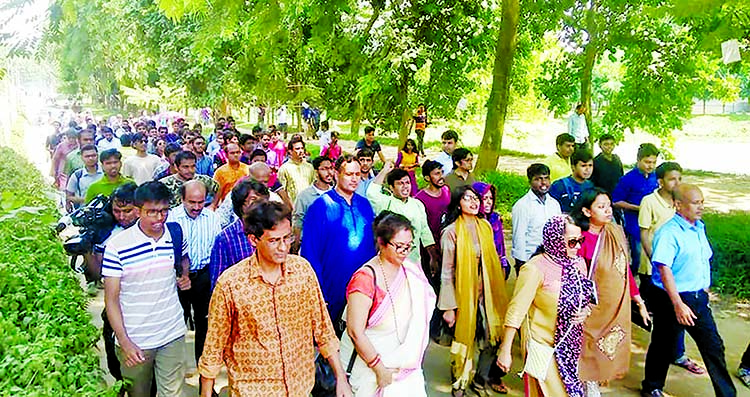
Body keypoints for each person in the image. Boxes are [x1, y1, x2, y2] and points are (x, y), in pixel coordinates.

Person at [198, 200, 353, 397]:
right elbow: (213, 347)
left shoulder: (302, 271)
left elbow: (323, 329)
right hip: (253, 390)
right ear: (253, 240)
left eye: (287, 238)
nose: (283, 247)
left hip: (300, 387)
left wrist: (341, 378)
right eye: (273, 241)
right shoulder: (231, 284)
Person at [641, 184, 737, 397]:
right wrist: (678, 304)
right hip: (671, 298)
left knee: (713, 346)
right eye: (695, 203)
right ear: (678, 205)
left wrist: (703, 289)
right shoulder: (669, 233)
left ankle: (727, 394)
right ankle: (652, 387)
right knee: (663, 345)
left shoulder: (699, 227)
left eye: (702, 202)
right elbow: (664, 269)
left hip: (697, 298)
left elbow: (702, 260)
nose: (700, 207)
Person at [103, 181, 191, 397]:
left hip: (172, 333)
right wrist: (124, 342)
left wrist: (184, 276)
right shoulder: (118, 246)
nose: (159, 218)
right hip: (136, 340)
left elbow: (184, 258)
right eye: (152, 212)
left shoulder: (175, 234)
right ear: (137, 210)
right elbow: (111, 300)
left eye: (163, 211)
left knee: (173, 394)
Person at [496, 215, 596, 397]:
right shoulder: (535, 268)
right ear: (555, 240)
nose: (579, 247)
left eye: (580, 240)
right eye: (572, 242)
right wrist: (505, 349)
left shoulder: (578, 263)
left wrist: (585, 311)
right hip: (545, 349)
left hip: (573, 346)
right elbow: (517, 310)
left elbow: (586, 296)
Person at [340, 212, 436, 396]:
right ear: (382, 243)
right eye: (399, 247)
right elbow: (355, 331)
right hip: (372, 370)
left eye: (409, 246)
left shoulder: (412, 271)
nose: (405, 252)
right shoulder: (365, 279)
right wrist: (379, 369)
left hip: (407, 372)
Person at [569, 188, 651, 397]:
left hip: (616, 309)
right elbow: (574, 279)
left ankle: (592, 386)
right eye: (601, 207)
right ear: (587, 212)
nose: (608, 210)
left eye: (608, 205)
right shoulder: (581, 240)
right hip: (591, 312)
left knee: (605, 354)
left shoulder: (615, 232)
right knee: (586, 354)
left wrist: (638, 300)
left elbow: (623, 270)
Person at [439, 185, 510, 397]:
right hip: (463, 297)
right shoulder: (451, 232)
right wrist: (449, 307)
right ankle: (460, 382)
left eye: (476, 198)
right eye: (468, 198)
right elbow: (446, 272)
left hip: (487, 295)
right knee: (464, 340)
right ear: (458, 204)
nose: (474, 202)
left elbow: (494, 261)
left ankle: (480, 380)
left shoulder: (485, 226)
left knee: (492, 338)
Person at [638, 162, 704, 375]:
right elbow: (645, 233)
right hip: (657, 266)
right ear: (661, 182)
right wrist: (654, 260)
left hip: (681, 272)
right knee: (664, 321)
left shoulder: (689, 211)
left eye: (679, 178)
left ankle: (678, 354)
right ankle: (658, 369)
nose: (677, 182)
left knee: (682, 320)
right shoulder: (650, 201)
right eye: (671, 179)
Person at [302, 155, 377, 325]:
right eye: (349, 174)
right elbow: (310, 252)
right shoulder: (321, 206)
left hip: (362, 286)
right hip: (332, 286)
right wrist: (318, 290)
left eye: (357, 174)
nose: (354, 179)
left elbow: (373, 246)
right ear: (336, 174)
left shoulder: (365, 205)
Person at [166, 180, 221, 368]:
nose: (197, 207)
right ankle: (175, 367)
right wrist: (179, 276)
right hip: (177, 279)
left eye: (201, 202)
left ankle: (203, 370)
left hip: (204, 278)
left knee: (204, 325)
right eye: (192, 202)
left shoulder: (213, 218)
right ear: (182, 199)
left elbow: (217, 250)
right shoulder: (171, 219)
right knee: (175, 325)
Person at [92, 183, 140, 383]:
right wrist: (88, 249)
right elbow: (97, 274)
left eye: (127, 211)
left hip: (142, 309)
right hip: (115, 305)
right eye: (116, 211)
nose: (122, 216)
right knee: (115, 361)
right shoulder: (108, 233)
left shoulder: (153, 231)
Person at [366, 162, 437, 267]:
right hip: (391, 261)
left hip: (414, 260)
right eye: (400, 184)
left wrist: (433, 257)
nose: (405, 187)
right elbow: (371, 192)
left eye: (407, 183)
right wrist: (385, 170)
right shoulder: (385, 202)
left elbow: (425, 231)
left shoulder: (417, 204)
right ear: (391, 187)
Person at [414, 160, 452, 343]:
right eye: (436, 174)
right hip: (427, 252)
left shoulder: (446, 192)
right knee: (430, 289)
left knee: (445, 287)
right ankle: (429, 328)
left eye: (441, 172)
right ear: (428, 177)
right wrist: (430, 254)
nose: (441, 177)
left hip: (446, 247)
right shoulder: (420, 198)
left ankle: (441, 325)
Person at [209, 179, 269, 289]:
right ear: (240, 205)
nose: (260, 206)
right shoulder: (225, 239)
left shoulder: (273, 231)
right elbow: (218, 282)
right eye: (254, 201)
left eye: (263, 201)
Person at [612, 143, 660, 274]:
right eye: (647, 162)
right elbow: (616, 201)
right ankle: (634, 280)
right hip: (635, 224)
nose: (650, 166)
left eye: (653, 162)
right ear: (638, 160)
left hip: (655, 223)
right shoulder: (628, 179)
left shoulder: (656, 177)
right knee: (638, 254)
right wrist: (639, 208)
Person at [511, 164, 562, 275]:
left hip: (552, 259)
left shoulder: (554, 204)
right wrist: (521, 264)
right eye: (538, 179)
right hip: (530, 259)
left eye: (546, 178)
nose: (543, 183)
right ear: (530, 181)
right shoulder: (522, 206)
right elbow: (519, 236)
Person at [292, 156, 335, 253]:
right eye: (324, 169)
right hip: (311, 246)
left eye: (331, 168)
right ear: (316, 172)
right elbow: (298, 222)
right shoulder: (305, 196)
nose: (329, 173)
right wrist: (295, 248)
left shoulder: (337, 194)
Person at [472, 182, 510, 278]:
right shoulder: (470, 221)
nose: (489, 202)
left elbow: (500, 245)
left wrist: (503, 263)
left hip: (495, 261)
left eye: (491, 198)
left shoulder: (495, 218)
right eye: (484, 198)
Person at [277, 136, 315, 205]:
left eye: (302, 148)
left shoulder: (309, 167)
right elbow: (282, 192)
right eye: (297, 149)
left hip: (309, 205)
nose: (301, 151)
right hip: (294, 207)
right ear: (290, 151)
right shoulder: (284, 168)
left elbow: (313, 187)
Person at [65, 144, 102, 211]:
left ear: (97, 156)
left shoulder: (105, 173)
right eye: (87, 156)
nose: (91, 158)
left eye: (93, 155)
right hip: (84, 212)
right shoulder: (77, 175)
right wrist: (86, 199)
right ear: (82, 157)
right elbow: (69, 196)